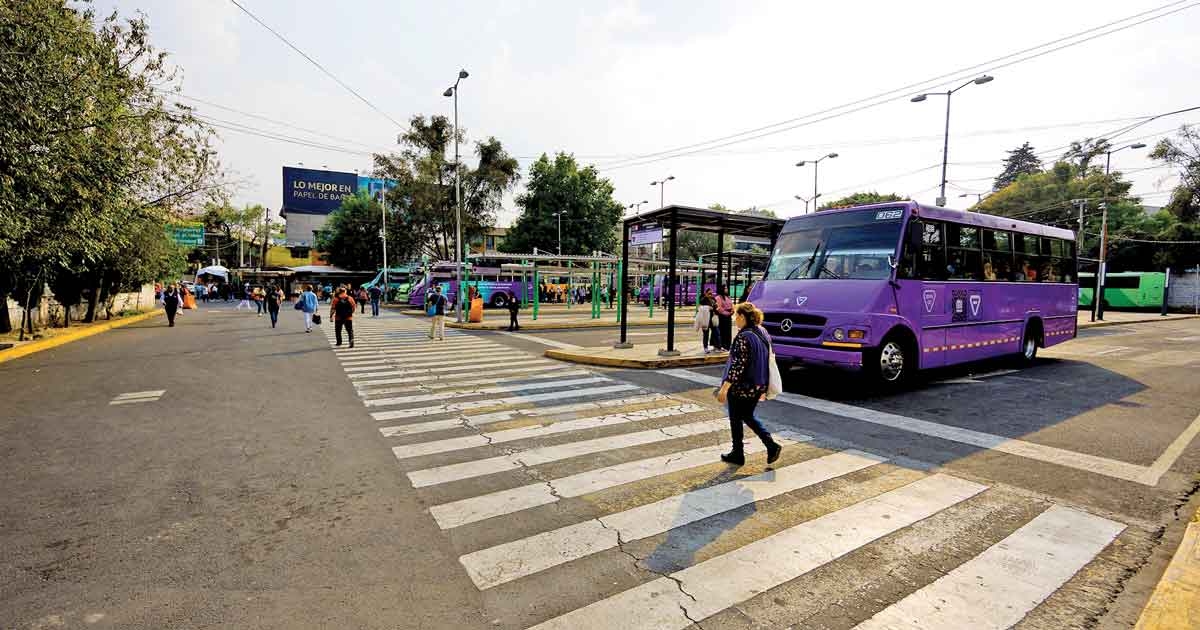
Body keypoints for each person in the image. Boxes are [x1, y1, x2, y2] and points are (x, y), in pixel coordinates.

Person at [715, 302, 782, 467]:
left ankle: (746, 451)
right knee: (746, 415)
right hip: (758, 384)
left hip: (742, 386)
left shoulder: (744, 336)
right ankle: (762, 446)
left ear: (742, 317)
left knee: (736, 418)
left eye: (735, 316)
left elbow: (738, 365)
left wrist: (724, 388)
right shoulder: (762, 331)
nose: (734, 320)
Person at [715, 286, 734, 351]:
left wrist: (732, 311)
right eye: (725, 288)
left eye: (727, 288)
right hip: (722, 317)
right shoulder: (718, 298)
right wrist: (727, 313)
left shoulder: (728, 297)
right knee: (723, 331)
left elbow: (732, 305)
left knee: (728, 331)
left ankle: (728, 345)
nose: (727, 290)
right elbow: (719, 308)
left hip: (729, 317)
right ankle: (723, 345)